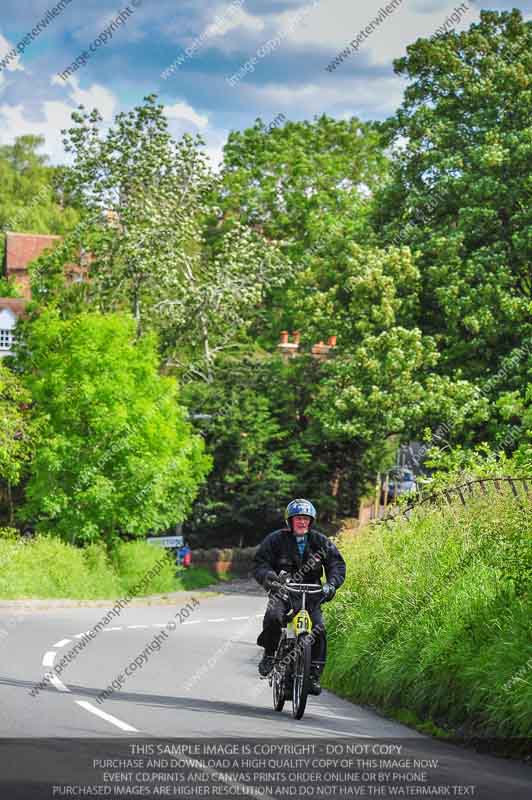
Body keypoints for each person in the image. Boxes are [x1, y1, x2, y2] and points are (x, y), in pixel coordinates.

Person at [253, 498, 346, 695]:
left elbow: (337, 565)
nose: (302, 522)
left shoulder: (321, 542)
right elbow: (260, 563)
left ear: (311, 521)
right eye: (298, 519)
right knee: (273, 617)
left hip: (312, 595)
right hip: (283, 592)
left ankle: (312, 675)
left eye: (306, 518)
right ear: (290, 521)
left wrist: (331, 585)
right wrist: (270, 578)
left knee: (319, 629)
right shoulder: (275, 539)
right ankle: (269, 655)